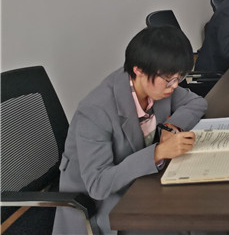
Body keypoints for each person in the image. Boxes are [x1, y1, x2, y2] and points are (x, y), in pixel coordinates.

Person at [52, 26, 208, 235]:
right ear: (139, 70)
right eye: (169, 79)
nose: (174, 86)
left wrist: (171, 127)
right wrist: (157, 153)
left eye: (179, 78)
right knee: (184, 219)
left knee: (203, 206)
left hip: (142, 180)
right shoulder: (95, 111)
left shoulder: (157, 85)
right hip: (103, 203)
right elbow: (98, 185)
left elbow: (196, 103)